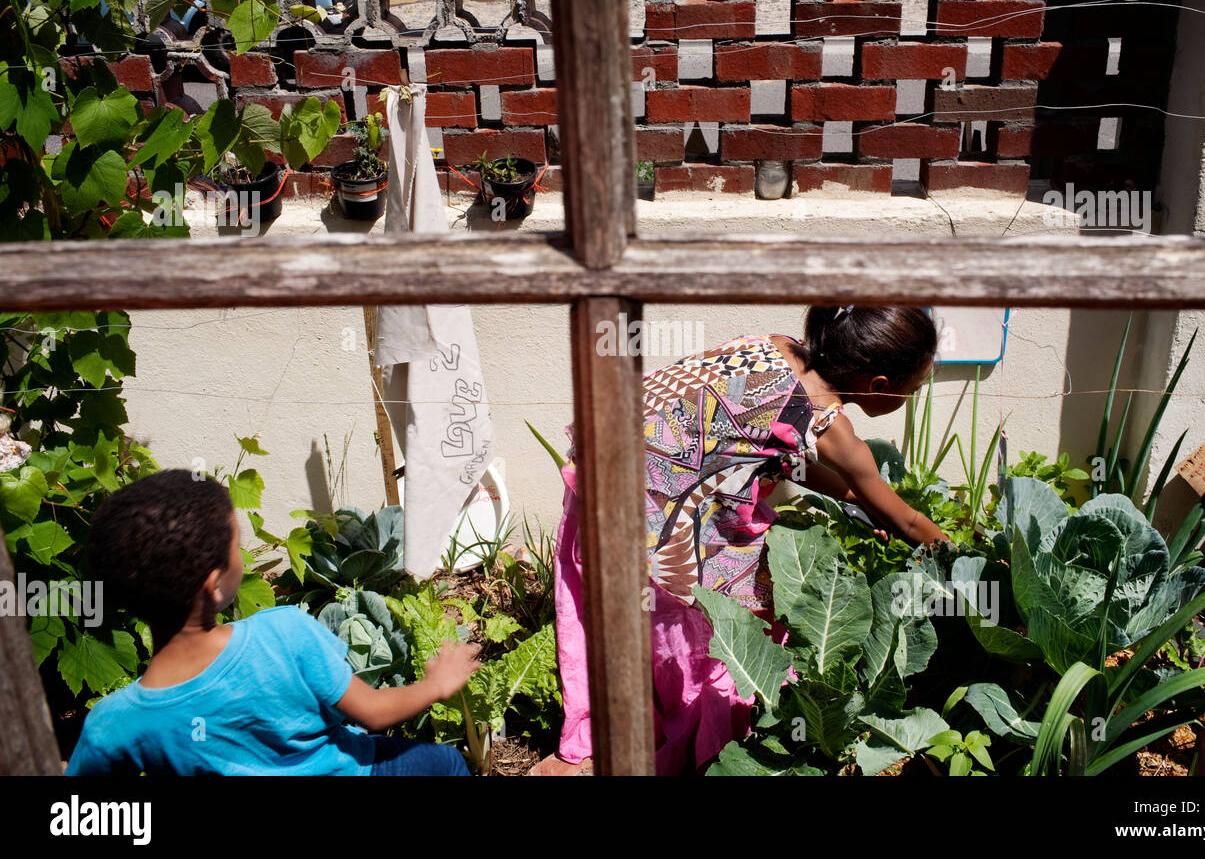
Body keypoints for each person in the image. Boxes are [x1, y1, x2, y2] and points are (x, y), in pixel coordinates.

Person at [529, 306, 948, 776]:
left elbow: (777, 450)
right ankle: (700, 732)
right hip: (647, 502)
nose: (912, 397)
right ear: (878, 385)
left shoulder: (776, 346)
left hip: (602, 465)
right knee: (732, 614)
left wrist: (861, 502)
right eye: (912, 389)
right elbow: (911, 523)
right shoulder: (833, 427)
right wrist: (961, 556)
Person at [65, 469, 481, 776]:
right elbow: (372, 713)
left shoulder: (114, 722)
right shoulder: (284, 633)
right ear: (213, 585)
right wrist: (434, 685)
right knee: (444, 763)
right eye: (236, 544)